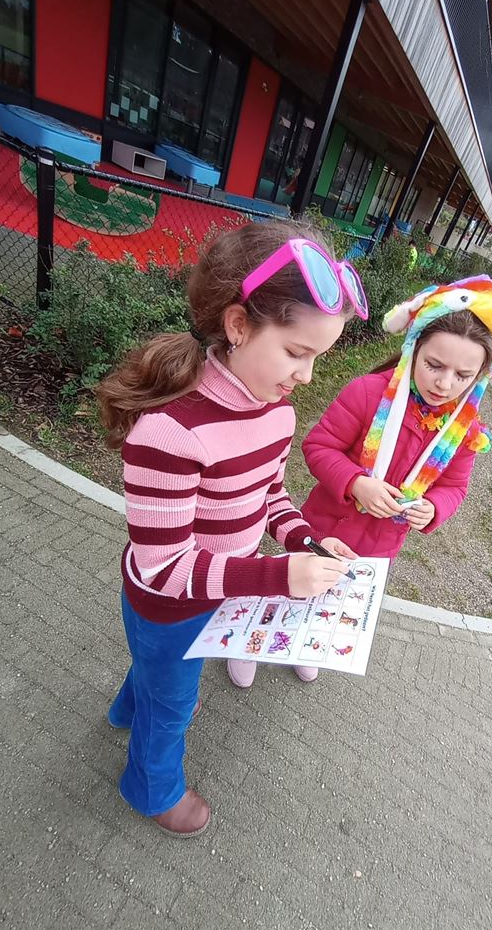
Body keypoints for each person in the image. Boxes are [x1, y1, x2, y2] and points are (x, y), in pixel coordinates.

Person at [95, 220, 366, 837]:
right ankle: (151, 789)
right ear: (239, 325)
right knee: (174, 706)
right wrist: (279, 576)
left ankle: (124, 708)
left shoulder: (276, 412)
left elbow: (268, 494)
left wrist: (303, 540)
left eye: (318, 358)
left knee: (155, 684)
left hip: (221, 591)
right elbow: (166, 569)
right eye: (296, 353)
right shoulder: (171, 431)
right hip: (168, 606)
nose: (307, 376)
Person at [301, 277, 492, 559]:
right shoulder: (367, 393)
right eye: (434, 365)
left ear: (480, 376)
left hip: (378, 552)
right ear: (413, 349)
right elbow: (319, 447)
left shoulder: (465, 433)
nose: (444, 384)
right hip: (324, 531)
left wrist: (434, 507)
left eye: (463, 375)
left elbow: (455, 487)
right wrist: (355, 483)